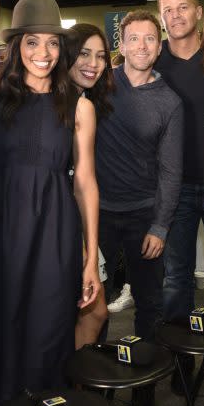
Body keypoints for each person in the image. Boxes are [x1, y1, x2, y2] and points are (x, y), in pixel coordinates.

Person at [0, 0, 100, 405]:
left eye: (52, 43)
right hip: (0, 225)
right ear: (16, 48)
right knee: (2, 320)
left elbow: (85, 182)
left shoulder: (79, 106)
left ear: (62, 49)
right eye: (32, 42)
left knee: (49, 321)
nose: (42, 53)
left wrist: (91, 255)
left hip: (54, 227)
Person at [96, 10, 183, 340]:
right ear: (123, 44)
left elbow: (171, 170)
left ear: (159, 47)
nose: (142, 46)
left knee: (149, 303)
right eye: (134, 38)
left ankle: (144, 385)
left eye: (150, 38)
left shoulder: (170, 102)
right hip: (97, 213)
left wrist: (160, 226)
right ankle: (91, 383)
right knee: (94, 300)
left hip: (143, 216)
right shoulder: (100, 82)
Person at [156, 0, 204, 320]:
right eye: (167, 10)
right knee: (174, 278)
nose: (175, 15)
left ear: (198, 12)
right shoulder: (152, 63)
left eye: (182, 7)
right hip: (174, 188)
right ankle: (177, 363)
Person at [66, 22, 115, 348]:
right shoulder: (68, 103)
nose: (93, 64)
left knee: (93, 312)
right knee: (92, 311)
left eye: (100, 56)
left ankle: (71, 387)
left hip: (78, 218)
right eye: (84, 54)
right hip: (63, 219)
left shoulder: (83, 101)